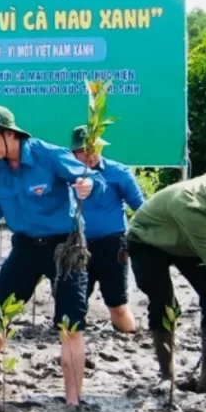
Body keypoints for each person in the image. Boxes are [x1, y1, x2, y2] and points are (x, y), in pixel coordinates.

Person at [0, 105, 99, 412]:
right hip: (24, 247)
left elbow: (91, 182)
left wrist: (87, 186)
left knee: (70, 325)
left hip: (65, 247)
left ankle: (73, 399)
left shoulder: (48, 155)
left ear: (10, 134)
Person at [126, 162, 206, 393]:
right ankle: (166, 377)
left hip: (187, 242)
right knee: (164, 303)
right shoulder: (192, 205)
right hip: (148, 240)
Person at [69, 125, 143, 333]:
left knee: (116, 301)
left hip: (113, 244)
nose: (90, 155)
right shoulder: (65, 176)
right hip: (77, 245)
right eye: (83, 151)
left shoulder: (118, 172)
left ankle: (130, 334)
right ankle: (73, 344)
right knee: (73, 301)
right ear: (74, 152)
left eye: (94, 148)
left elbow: (140, 207)